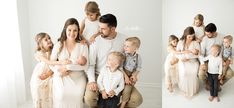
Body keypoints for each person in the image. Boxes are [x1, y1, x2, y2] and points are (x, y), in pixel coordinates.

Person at [84, 13, 142, 108]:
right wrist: (91, 81)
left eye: (103, 28)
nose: (99, 30)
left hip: (119, 76)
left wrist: (134, 75)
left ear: (113, 28)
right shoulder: (95, 41)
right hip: (99, 75)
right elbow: (91, 64)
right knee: (89, 99)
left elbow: (133, 58)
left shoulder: (124, 40)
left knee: (137, 100)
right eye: (99, 27)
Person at [50, 18, 89, 108]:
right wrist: (58, 71)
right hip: (61, 75)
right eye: (69, 30)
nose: (72, 33)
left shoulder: (82, 46)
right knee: (62, 95)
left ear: (78, 31)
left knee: (77, 96)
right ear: (65, 30)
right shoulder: (59, 44)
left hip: (78, 77)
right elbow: (51, 63)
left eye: (75, 30)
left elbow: (85, 66)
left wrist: (68, 67)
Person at [30, 32, 71, 108]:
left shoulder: (53, 50)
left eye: (49, 38)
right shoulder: (39, 53)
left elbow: (52, 66)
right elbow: (49, 62)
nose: (49, 40)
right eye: (46, 40)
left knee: (47, 94)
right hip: (40, 73)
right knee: (38, 91)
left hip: (50, 73)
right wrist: (61, 62)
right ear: (40, 44)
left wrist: (48, 74)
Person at [199, 23, 233, 89]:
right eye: (206, 34)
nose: (206, 35)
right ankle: (208, 83)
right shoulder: (204, 39)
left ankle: (217, 84)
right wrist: (202, 63)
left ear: (214, 32)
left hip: (219, 60)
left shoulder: (222, 37)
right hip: (208, 60)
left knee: (230, 73)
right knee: (201, 74)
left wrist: (228, 60)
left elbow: (227, 48)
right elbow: (201, 54)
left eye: (208, 34)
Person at [176, 26, 200, 98]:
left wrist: (189, 57)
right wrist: (182, 58)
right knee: (184, 72)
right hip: (183, 61)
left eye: (192, 36)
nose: (191, 38)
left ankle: (194, 89)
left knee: (193, 72)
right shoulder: (180, 42)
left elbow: (198, 55)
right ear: (186, 35)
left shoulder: (195, 42)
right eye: (189, 37)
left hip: (193, 61)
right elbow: (177, 53)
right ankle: (184, 89)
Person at [120, 37, 142, 108]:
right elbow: (120, 67)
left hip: (130, 75)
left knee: (127, 89)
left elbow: (138, 68)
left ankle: (122, 105)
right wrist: (125, 77)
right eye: (124, 45)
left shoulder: (138, 57)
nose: (125, 48)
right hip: (122, 74)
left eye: (127, 46)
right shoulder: (123, 55)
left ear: (135, 48)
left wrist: (134, 75)